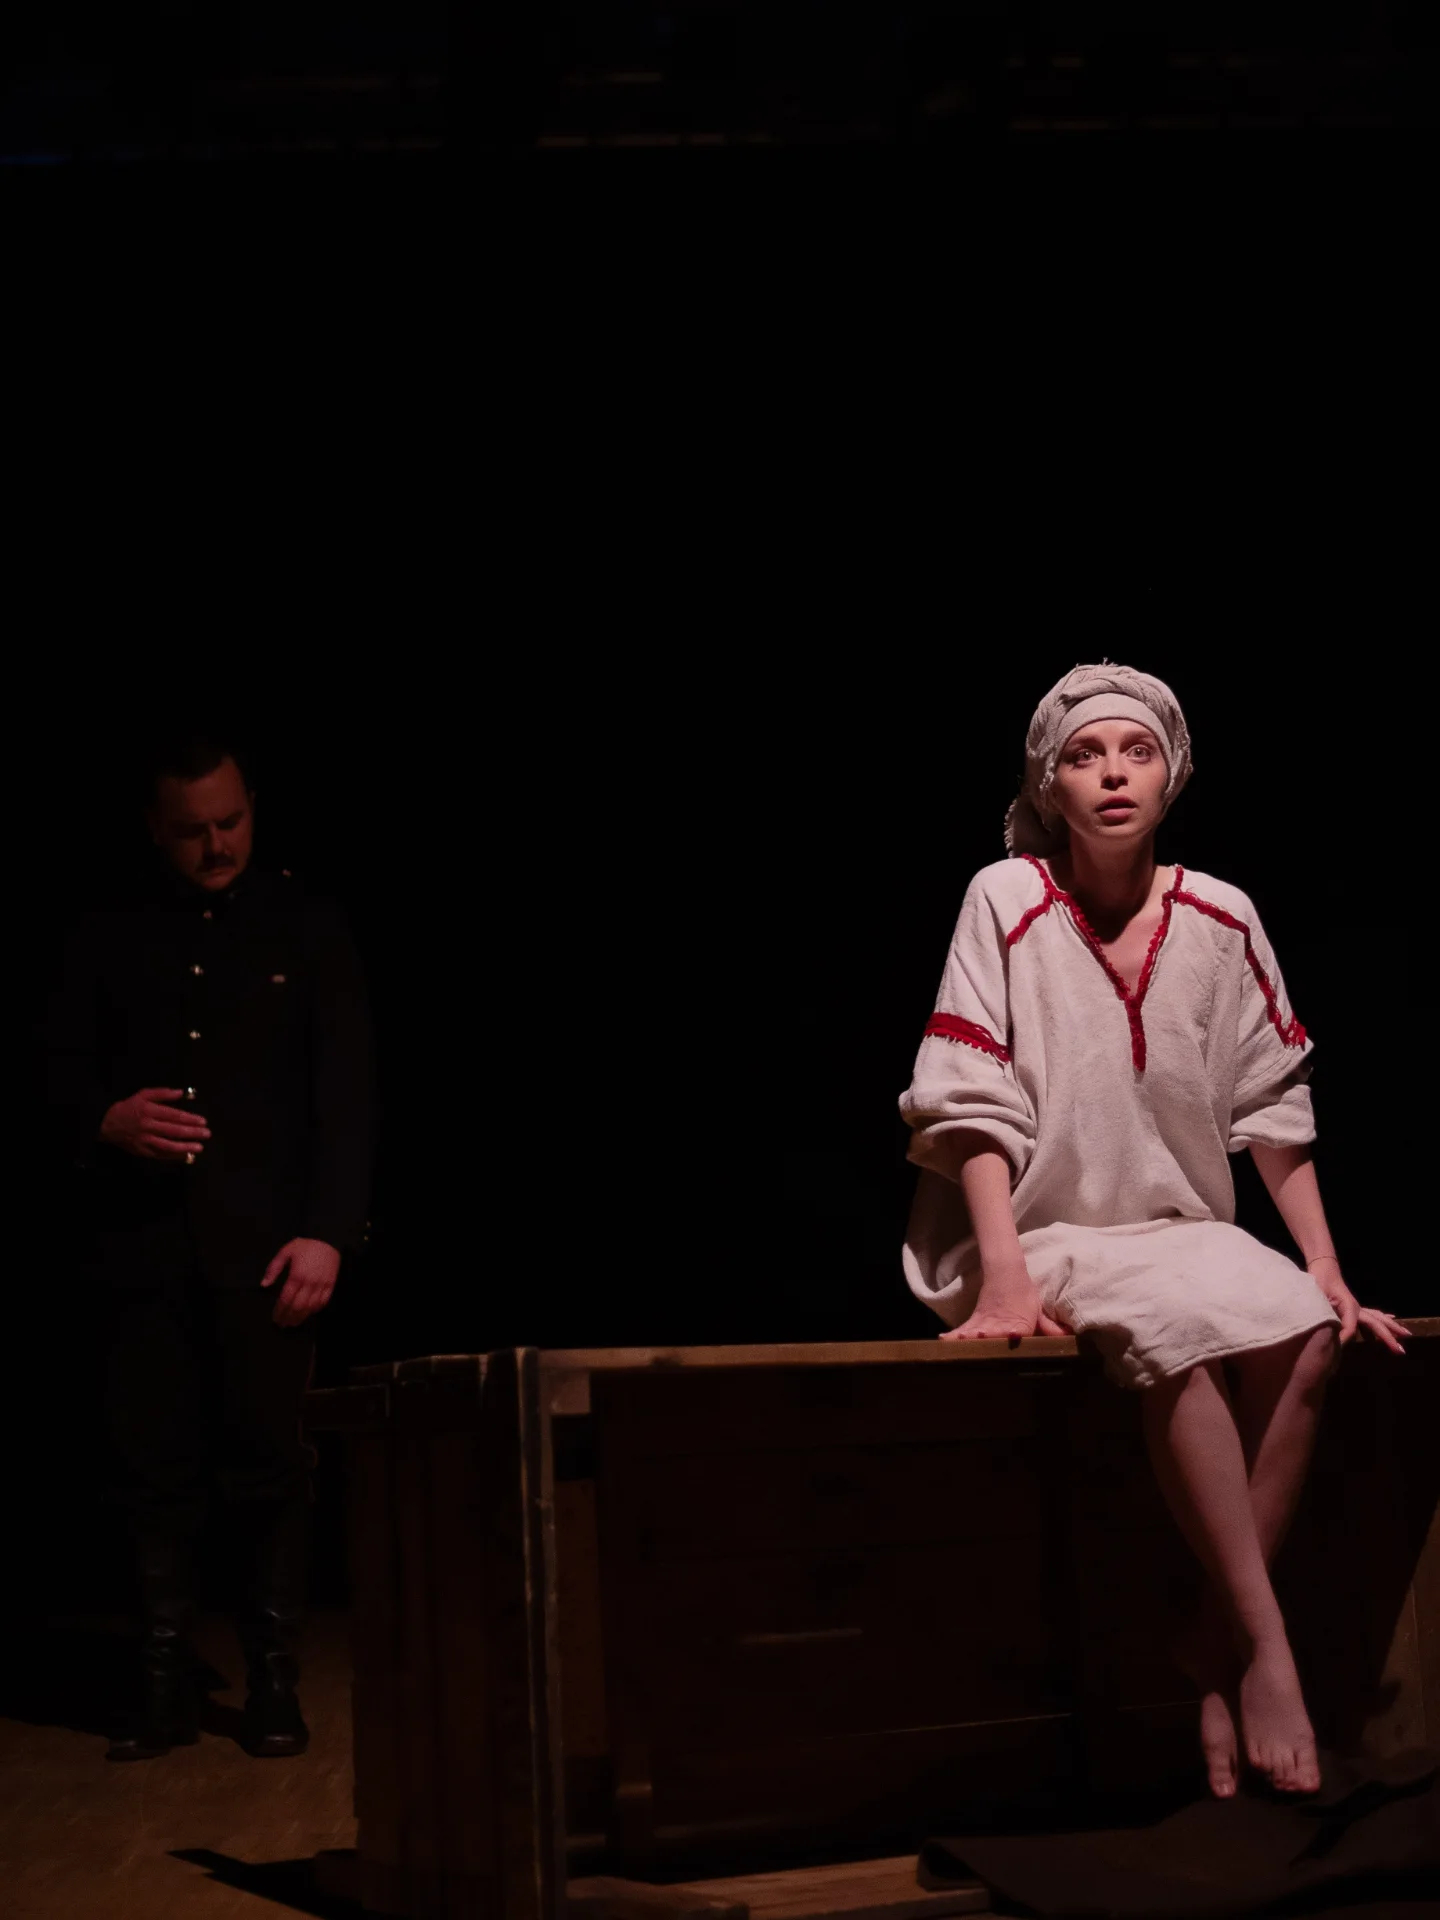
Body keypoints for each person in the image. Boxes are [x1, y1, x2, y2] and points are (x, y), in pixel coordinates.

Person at [898, 664, 1407, 1801]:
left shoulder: (1222, 914)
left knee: (1305, 1333)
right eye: (1085, 755)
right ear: (1050, 784)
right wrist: (1003, 1278)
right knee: (1178, 1337)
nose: (1114, 773)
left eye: (1138, 751)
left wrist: (1326, 1267)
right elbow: (968, 1095)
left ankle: (1212, 1639)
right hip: (1039, 1230)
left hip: (1181, 1226)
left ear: (1173, 775)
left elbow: (1272, 1105)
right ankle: (1266, 1653)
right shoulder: (1005, 897)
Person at [46, 737, 374, 1762]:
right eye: (193, 830)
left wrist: (329, 1231)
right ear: (157, 829)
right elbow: (48, 1071)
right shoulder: (105, 933)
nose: (217, 844)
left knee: (269, 1467)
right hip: (138, 1252)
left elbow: (346, 1092)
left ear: (252, 808)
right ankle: (160, 1683)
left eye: (231, 821)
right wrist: (104, 1121)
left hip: (268, 1248)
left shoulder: (306, 924)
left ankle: (273, 1681)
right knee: (151, 1473)